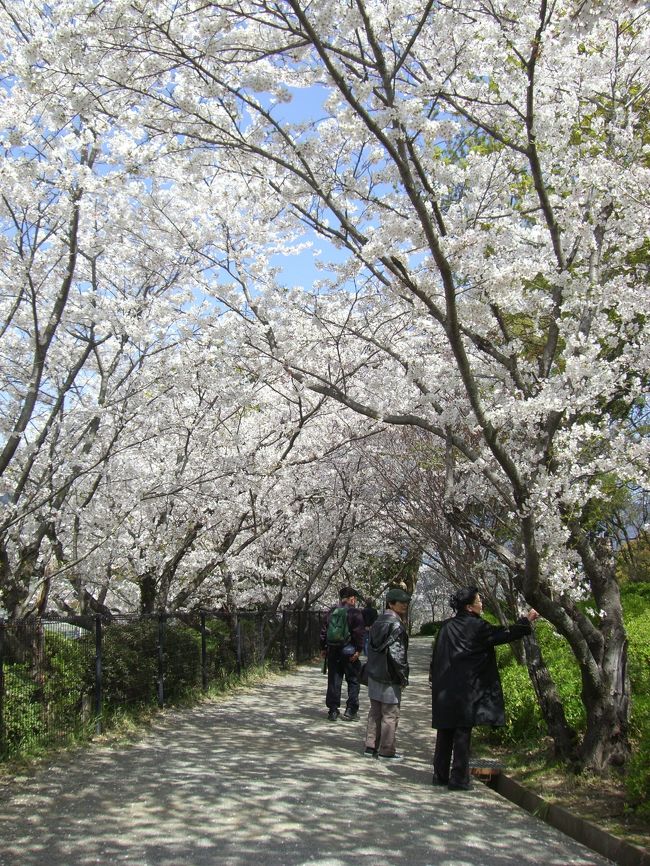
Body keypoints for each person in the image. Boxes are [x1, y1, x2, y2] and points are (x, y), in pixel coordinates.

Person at [429, 585, 539, 790]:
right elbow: (503, 635)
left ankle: (440, 775)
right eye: (479, 601)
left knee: (445, 730)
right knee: (462, 731)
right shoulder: (477, 626)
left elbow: (436, 657)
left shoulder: (446, 627)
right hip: (466, 688)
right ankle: (459, 779)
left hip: (445, 687)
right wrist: (526, 621)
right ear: (470, 607)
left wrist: (433, 681)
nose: (482, 604)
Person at [363, 587, 410, 761]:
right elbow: (397, 655)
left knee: (375, 711)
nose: (404, 605)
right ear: (391, 603)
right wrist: (403, 676)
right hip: (390, 675)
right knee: (390, 714)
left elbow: (370, 648)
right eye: (401, 602)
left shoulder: (377, 622)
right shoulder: (396, 625)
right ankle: (386, 750)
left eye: (406, 602)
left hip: (375, 673)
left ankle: (370, 746)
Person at [320, 585, 365, 721]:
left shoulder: (331, 612)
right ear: (351, 599)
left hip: (333, 651)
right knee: (353, 680)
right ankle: (351, 710)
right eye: (354, 599)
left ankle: (333, 710)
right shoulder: (355, 613)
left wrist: (323, 648)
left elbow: (323, 631)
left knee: (334, 681)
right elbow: (359, 633)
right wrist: (359, 650)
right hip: (349, 652)